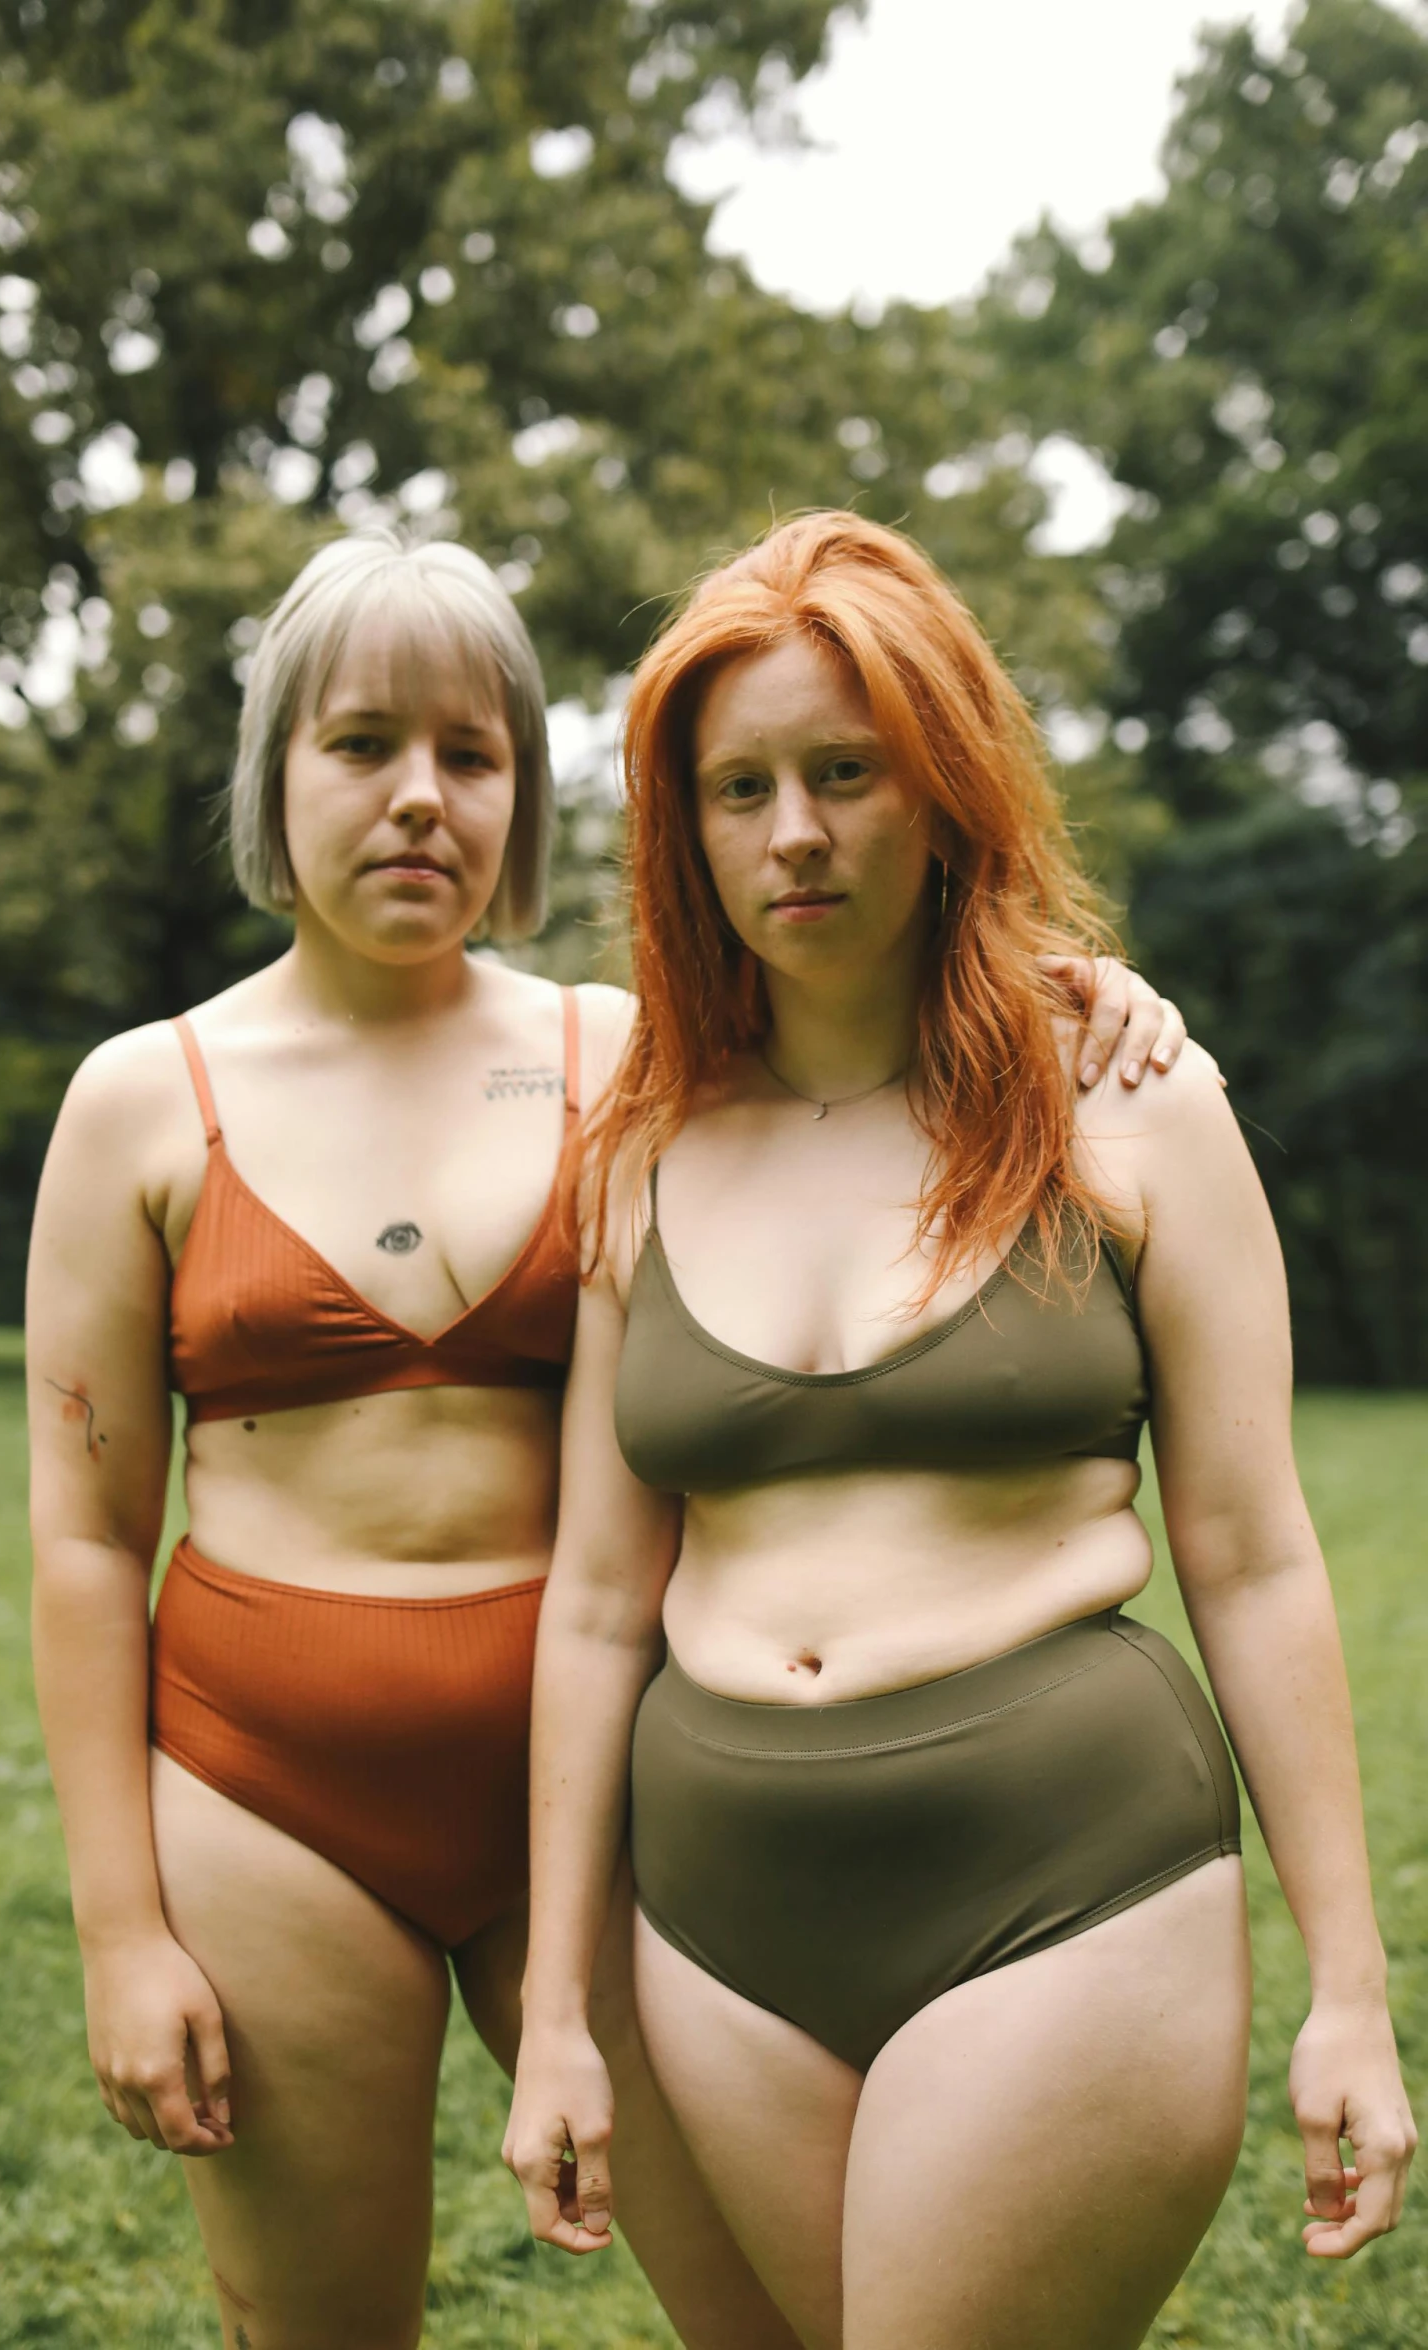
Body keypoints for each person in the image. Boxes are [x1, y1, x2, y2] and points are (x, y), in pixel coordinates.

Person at [26, 526, 1183, 2350]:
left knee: (775, 2316)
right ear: (274, 773)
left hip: (626, 1798)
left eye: (470, 754)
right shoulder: (139, 1104)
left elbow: (885, 1067)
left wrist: (1088, 995)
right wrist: (120, 1928)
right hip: (267, 1789)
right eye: (359, 744)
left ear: (528, 795)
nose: (419, 798)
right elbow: (85, 1534)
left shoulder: (639, 1069)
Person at [505, 512, 1416, 2350]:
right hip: (717, 1928)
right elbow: (599, 1600)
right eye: (738, 786)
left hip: (1060, 1884)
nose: (795, 834)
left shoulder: (1131, 1103)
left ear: (942, 785)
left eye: (845, 773)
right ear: (681, 828)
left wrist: (1349, 1985)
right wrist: (551, 2010)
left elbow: (1248, 1553)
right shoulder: (641, 1147)